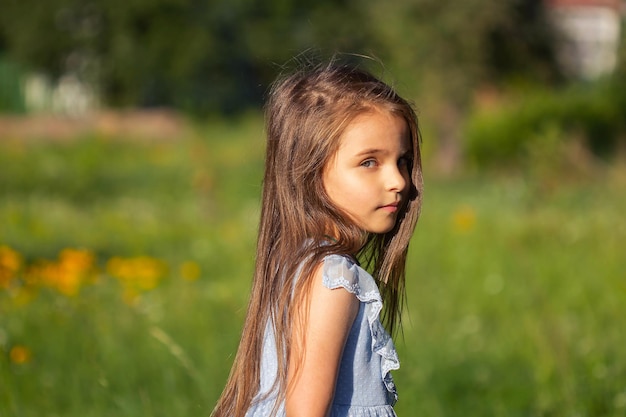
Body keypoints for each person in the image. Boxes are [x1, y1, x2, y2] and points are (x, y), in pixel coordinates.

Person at [211, 59, 423, 417]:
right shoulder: (333, 278)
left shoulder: (301, 261)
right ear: (309, 171)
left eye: (402, 161)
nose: (399, 181)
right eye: (369, 162)